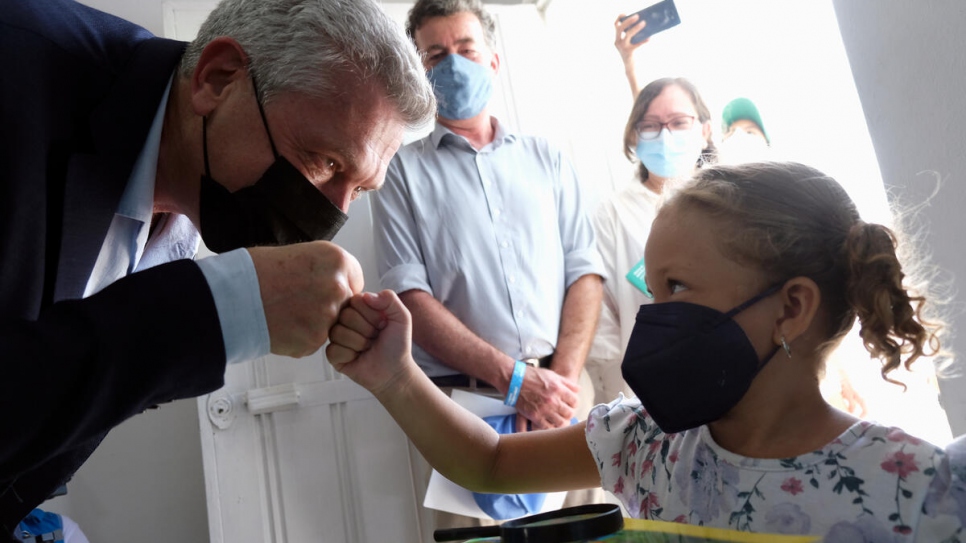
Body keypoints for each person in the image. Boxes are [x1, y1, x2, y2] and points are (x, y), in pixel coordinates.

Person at [330, 161, 966, 540]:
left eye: (678, 287)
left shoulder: (915, 489)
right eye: (651, 288)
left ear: (791, 307)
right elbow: (491, 464)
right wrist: (395, 376)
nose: (653, 313)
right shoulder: (645, 442)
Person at [0, 0, 434, 535]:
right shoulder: (16, 69)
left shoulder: (192, 203)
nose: (334, 213)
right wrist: (215, 312)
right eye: (325, 162)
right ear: (218, 78)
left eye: (360, 190)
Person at [368, 0, 605, 529]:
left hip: (565, 395)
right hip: (463, 409)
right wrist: (514, 380)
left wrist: (556, 384)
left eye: (466, 47)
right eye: (435, 53)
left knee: (589, 533)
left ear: (492, 60)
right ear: (420, 72)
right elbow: (411, 298)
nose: (453, 62)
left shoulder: (549, 158)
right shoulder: (398, 173)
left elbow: (585, 272)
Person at [585, 77, 714, 405]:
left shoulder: (733, 204)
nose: (666, 135)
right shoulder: (612, 215)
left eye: (679, 122)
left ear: (704, 131)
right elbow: (601, 326)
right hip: (655, 396)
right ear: (635, 136)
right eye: (651, 125)